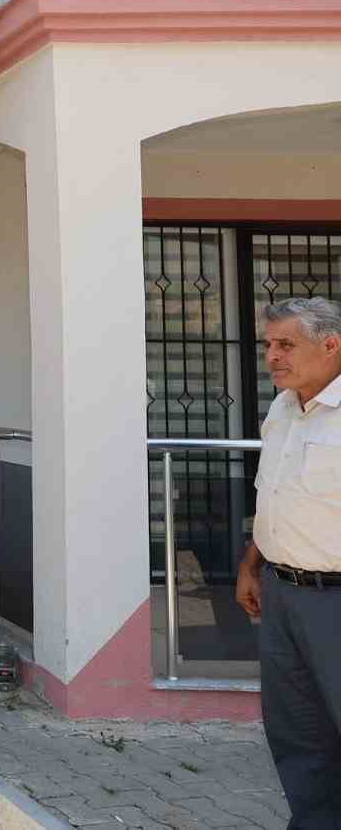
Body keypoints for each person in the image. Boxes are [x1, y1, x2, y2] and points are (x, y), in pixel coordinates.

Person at [234, 296, 341, 826]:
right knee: (298, 733)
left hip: (335, 598)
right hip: (281, 593)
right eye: (268, 345)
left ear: (331, 344)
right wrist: (251, 565)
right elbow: (273, 494)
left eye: (285, 345)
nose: (272, 356)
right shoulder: (282, 408)